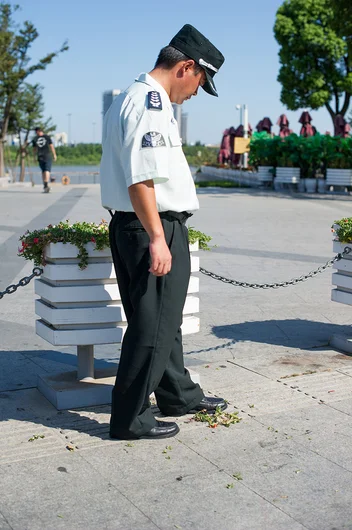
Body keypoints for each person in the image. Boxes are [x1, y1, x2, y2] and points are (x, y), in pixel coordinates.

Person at [100, 24, 226, 441]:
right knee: (152, 324)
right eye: (199, 83)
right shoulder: (152, 104)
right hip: (153, 225)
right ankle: (130, 418)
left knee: (162, 320)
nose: (194, 93)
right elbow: (141, 178)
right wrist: (157, 237)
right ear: (185, 67)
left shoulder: (129, 97)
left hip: (135, 223)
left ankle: (179, 394)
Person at [32, 127, 57, 193]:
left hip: (40, 156)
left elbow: (34, 150)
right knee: (47, 170)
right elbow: (51, 146)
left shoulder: (35, 139)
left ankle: (45, 185)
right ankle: (46, 185)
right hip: (47, 155)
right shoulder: (47, 137)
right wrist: (54, 154)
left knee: (43, 171)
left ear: (37, 131)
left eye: (36, 132)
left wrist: (34, 158)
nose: (36, 133)